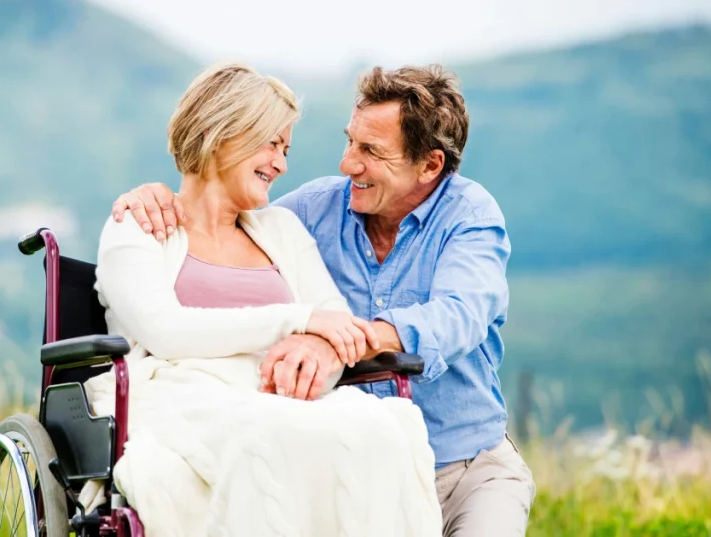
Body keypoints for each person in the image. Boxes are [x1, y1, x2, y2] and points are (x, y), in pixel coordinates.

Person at [113, 64, 536, 536]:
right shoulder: (311, 211)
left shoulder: (470, 217)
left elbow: (457, 316)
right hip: (334, 447)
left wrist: (337, 341)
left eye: (371, 151)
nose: (347, 163)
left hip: (466, 467)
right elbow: (223, 214)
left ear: (429, 165)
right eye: (350, 141)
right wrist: (152, 195)